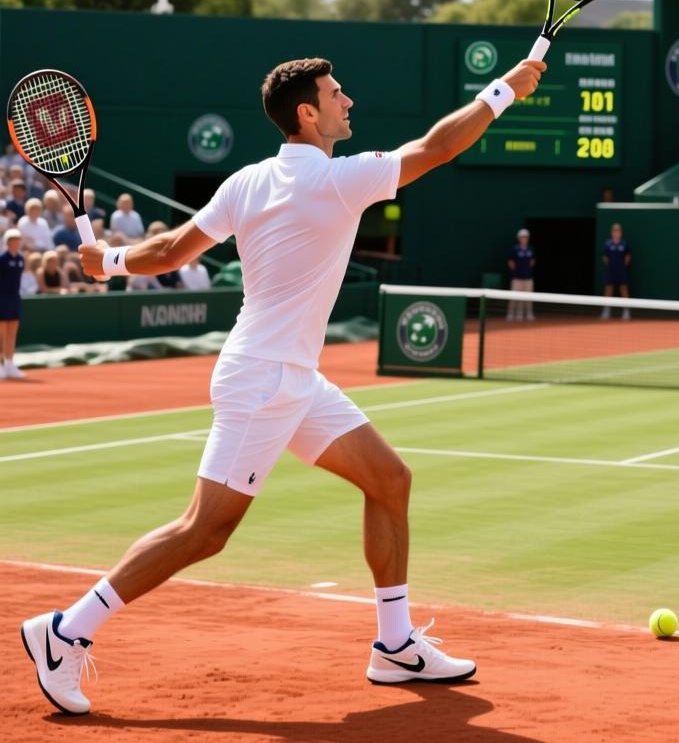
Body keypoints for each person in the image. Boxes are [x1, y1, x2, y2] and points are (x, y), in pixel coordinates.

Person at [23, 54, 545, 714]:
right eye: (335, 94)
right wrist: (505, 90)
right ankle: (66, 632)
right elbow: (438, 148)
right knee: (204, 530)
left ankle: (395, 645)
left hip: (289, 377)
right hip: (263, 381)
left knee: (390, 480)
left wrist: (112, 261)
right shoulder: (336, 180)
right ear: (308, 113)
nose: (347, 101)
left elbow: (174, 249)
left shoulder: (248, 181)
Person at [0, 228, 25, 379]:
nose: (16, 242)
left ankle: (9, 363)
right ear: (8, 242)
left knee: (12, 331)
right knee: (1, 332)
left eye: (18, 239)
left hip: (15, 299)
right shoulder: (2, 259)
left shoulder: (21, 259)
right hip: (1, 299)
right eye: (13, 240)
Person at [600, 222, 632, 320]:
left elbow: (628, 256)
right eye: (614, 231)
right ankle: (606, 310)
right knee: (608, 289)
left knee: (624, 289)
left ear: (621, 232)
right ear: (611, 232)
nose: (616, 233)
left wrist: (622, 266)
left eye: (618, 231)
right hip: (611, 271)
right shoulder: (608, 243)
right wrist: (611, 265)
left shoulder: (624, 243)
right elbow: (605, 257)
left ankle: (626, 311)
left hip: (621, 271)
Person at [507, 227, 536, 321]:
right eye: (522, 237)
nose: (524, 239)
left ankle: (528, 314)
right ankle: (512, 314)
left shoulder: (531, 249)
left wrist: (526, 270)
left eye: (526, 237)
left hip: (528, 278)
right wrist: (517, 271)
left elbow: (532, 261)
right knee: (514, 297)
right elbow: (510, 262)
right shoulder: (515, 249)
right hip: (517, 278)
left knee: (528, 297)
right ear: (519, 238)